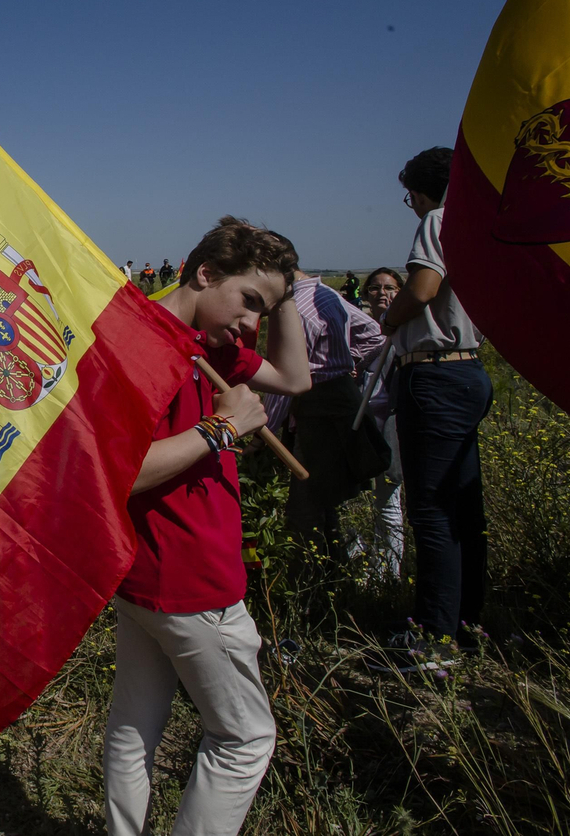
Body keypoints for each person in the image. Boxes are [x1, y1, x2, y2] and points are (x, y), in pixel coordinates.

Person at [103, 216, 310, 836]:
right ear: (205, 272)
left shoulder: (212, 344)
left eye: (264, 311)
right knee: (244, 739)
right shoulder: (139, 344)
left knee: (133, 727)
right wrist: (220, 430)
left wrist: (286, 296)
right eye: (249, 301)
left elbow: (295, 379)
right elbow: (122, 471)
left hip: (143, 577)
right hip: (191, 581)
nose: (252, 323)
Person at [379, 147, 491, 667]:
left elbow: (423, 288)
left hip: (433, 371)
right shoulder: (478, 225)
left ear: (422, 191)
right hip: (469, 371)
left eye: (410, 196)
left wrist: (390, 318)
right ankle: (469, 622)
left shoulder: (438, 221)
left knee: (431, 509)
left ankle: (432, 635)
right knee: (464, 504)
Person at [261, 270, 386, 557]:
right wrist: (342, 363)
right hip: (338, 405)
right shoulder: (327, 295)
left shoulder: (299, 312)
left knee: (304, 510)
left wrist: (263, 432)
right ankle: (334, 568)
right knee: (327, 503)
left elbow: (286, 381)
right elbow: (372, 332)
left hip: (320, 415)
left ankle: (306, 585)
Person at [358, 267, 406, 580]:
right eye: (375, 288)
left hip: (391, 425)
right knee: (356, 501)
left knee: (388, 501)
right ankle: (365, 562)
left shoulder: (405, 333)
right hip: (361, 424)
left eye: (390, 287)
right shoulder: (360, 330)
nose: (382, 293)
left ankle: (388, 571)